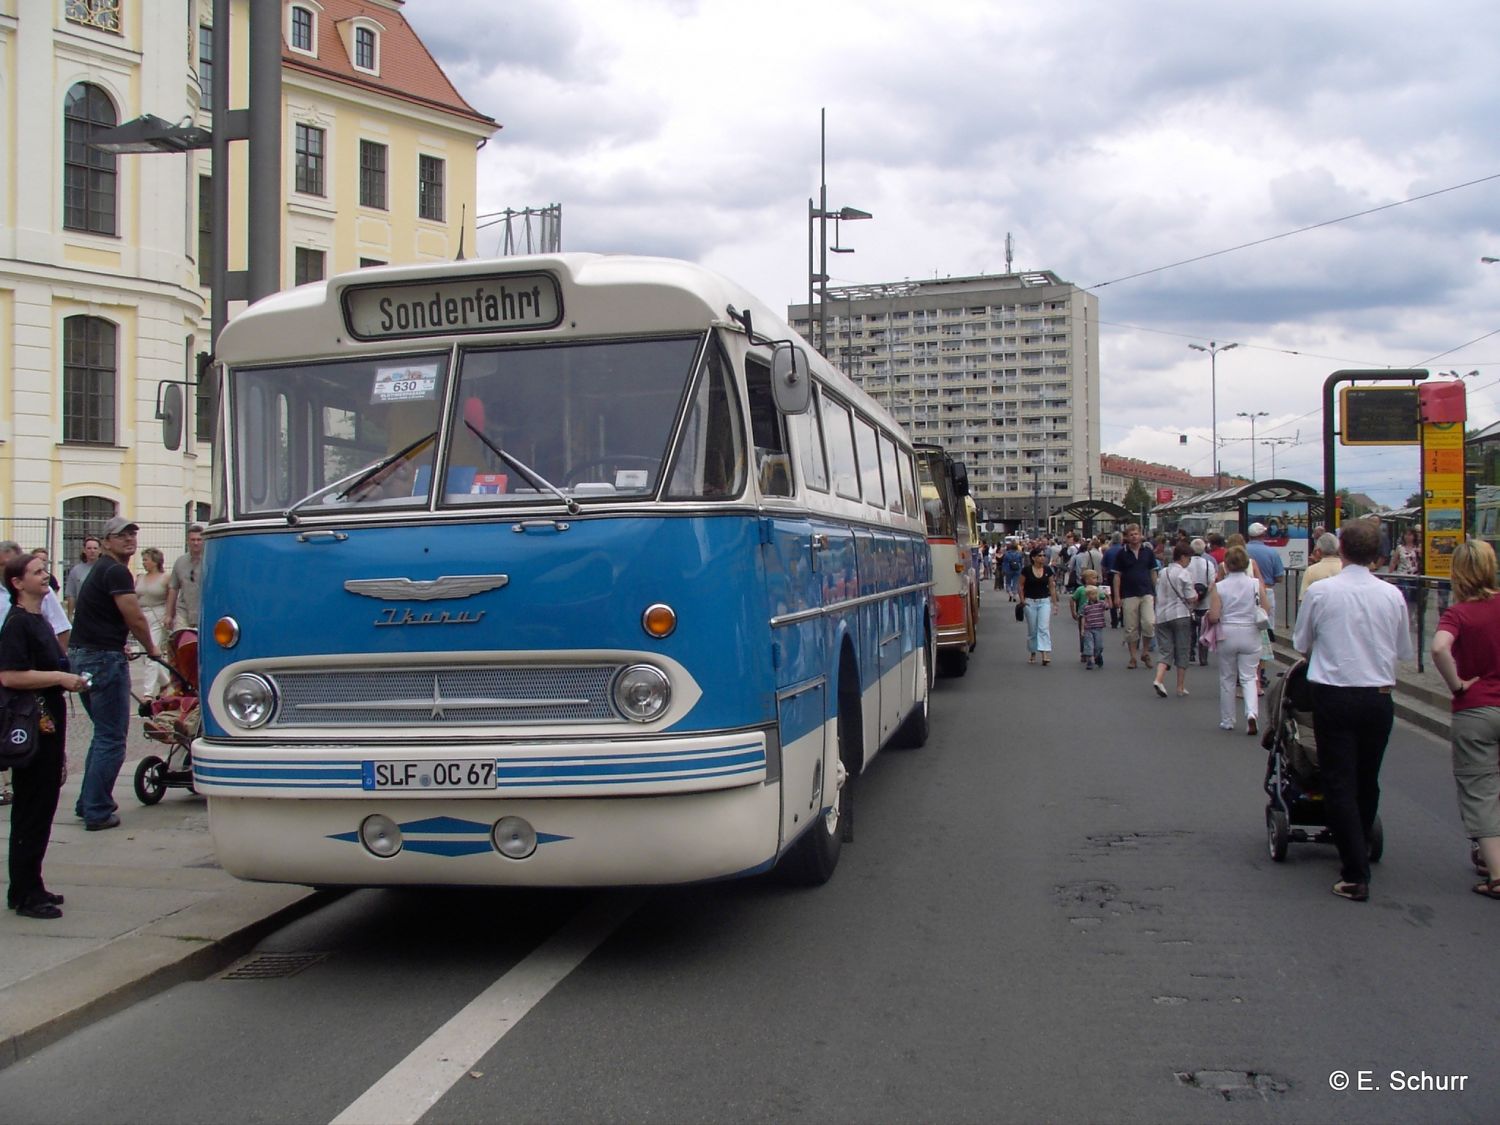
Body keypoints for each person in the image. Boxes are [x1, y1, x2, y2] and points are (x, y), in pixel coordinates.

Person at [1291, 518, 1413, 902]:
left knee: (1338, 781)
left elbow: (1301, 641)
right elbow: (1404, 650)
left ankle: (1354, 871)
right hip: (1378, 696)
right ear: (1378, 556)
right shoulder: (1391, 595)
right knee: (1367, 778)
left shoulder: (1322, 592)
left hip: (1334, 694)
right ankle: (1359, 841)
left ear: (1340, 549)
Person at [0, 553, 90, 918]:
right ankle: (24, 892)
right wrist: (59, 678)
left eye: (44, 570)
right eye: (36, 572)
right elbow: (9, 675)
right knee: (31, 808)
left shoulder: (38, 620)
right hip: (31, 726)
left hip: (48, 724)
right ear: (17, 583)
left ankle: (30, 884)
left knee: (42, 806)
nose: (44, 576)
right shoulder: (18, 623)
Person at [69, 517, 162, 832]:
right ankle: (97, 809)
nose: (129, 539)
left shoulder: (101, 570)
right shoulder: (116, 571)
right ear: (106, 542)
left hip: (85, 655)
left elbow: (98, 615)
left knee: (102, 733)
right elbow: (133, 615)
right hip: (102, 659)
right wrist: (152, 648)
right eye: (121, 535)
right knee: (112, 737)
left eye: (133, 533)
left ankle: (87, 802)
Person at [1429, 540, 1500, 896]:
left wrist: (1457, 685)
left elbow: (1439, 647)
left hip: (1475, 708)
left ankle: (1497, 873)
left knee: (1481, 790)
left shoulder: (1457, 614)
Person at [1208, 545, 1266, 735]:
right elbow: (1267, 608)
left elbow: (1215, 616)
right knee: (1249, 677)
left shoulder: (1220, 586)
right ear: (1247, 563)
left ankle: (1228, 719)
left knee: (1227, 678)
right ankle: (1251, 713)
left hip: (1228, 632)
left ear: (1226, 565)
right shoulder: (1255, 584)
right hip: (1251, 632)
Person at [1153, 544, 1199, 698]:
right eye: (1189, 558)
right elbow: (1190, 597)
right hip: (1180, 615)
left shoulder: (1162, 572)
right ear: (1183, 557)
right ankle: (1180, 687)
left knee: (1165, 650)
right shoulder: (1184, 574)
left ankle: (1159, 679)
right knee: (1182, 649)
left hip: (1161, 615)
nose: (1190, 562)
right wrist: (1196, 596)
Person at [1111, 523, 1156, 669]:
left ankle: (1145, 652)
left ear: (1141, 535)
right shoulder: (1122, 553)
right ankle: (1133, 657)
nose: (1134, 537)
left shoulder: (1148, 552)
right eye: (1131, 534)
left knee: (1149, 623)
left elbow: (1153, 572)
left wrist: (1156, 591)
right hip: (1129, 593)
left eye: (1136, 534)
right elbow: (1117, 576)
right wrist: (1116, 596)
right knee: (1131, 627)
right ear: (1126, 537)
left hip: (1146, 592)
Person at [136, 547, 171, 701]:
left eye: (146, 560)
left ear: (155, 561)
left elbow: (171, 597)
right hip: (142, 615)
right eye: (143, 560)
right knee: (145, 653)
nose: (144, 563)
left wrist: (169, 615)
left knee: (153, 651)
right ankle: (166, 682)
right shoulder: (140, 577)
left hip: (158, 615)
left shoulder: (165, 577)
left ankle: (148, 692)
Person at [1245, 522, 1286, 637]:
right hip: (1266, 590)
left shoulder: (1242, 550)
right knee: (1267, 625)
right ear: (1263, 535)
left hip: (1245, 591)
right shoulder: (1272, 552)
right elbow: (1279, 577)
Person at [1018, 546, 1056, 666]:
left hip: (1044, 601)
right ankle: (1033, 652)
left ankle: (1045, 653)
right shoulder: (1027, 570)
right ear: (1033, 558)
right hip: (1030, 602)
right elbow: (1020, 585)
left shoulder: (1048, 570)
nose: (1042, 558)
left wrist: (1054, 603)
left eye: (1043, 555)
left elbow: (1051, 586)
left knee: (1043, 628)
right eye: (1039, 555)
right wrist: (1022, 600)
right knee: (1033, 629)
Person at [165, 524, 206, 634]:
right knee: (180, 640)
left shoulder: (211, 561)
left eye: (199, 540)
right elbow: (173, 588)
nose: (196, 543)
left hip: (205, 612)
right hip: (183, 611)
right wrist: (169, 615)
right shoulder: (180, 561)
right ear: (188, 541)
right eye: (193, 540)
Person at [63, 536, 100, 617]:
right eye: (89, 548)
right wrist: (69, 616)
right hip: (83, 613)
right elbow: (71, 594)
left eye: (95, 548)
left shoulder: (106, 569)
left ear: (100, 550)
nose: (92, 551)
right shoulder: (76, 570)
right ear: (84, 550)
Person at [1079, 584, 1109, 669]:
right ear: (1087, 596)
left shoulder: (1101, 604)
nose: (1094, 596)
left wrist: (1108, 597)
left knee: (1098, 646)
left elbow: (1108, 606)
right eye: (1092, 594)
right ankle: (1090, 661)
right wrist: (1082, 629)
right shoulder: (1085, 606)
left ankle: (1097, 656)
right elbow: (1083, 617)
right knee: (1089, 645)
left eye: (1096, 594)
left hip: (1098, 628)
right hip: (1088, 628)